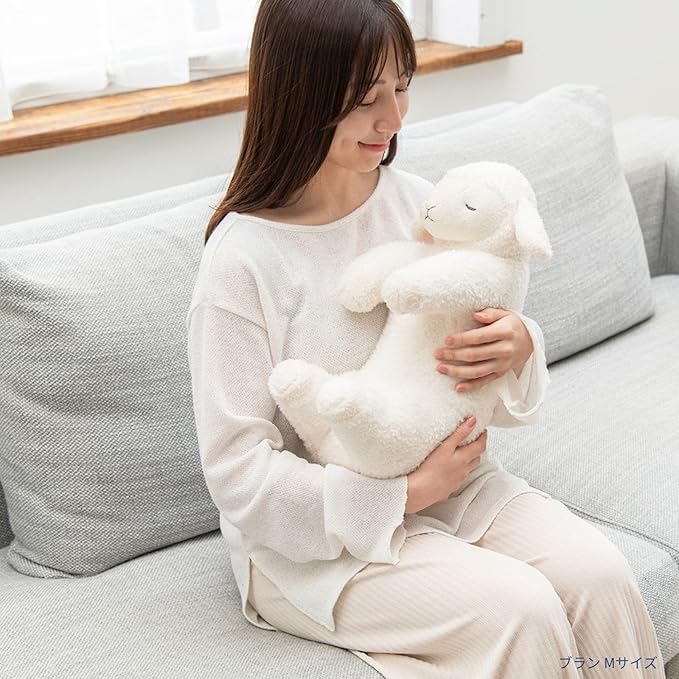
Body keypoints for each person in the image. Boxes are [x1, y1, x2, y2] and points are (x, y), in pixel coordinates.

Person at [185, 1, 666, 677]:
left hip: (457, 490)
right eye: (365, 99)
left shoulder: (420, 206)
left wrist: (517, 347)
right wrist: (402, 493)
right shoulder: (242, 261)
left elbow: (476, 375)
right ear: (299, 93)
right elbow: (238, 474)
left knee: (600, 576)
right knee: (521, 610)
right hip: (313, 545)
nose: (393, 118)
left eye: (402, 86)